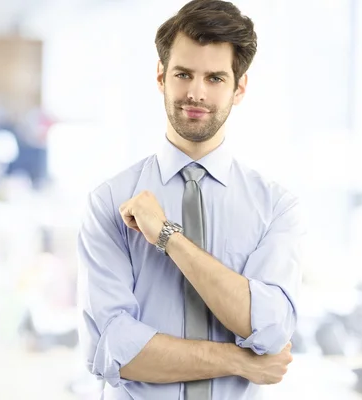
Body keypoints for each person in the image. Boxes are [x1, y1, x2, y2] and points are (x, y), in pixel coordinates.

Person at [77, 1, 304, 399]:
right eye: (183, 74)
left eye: (215, 78)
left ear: (240, 88)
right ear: (161, 77)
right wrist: (238, 360)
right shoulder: (109, 201)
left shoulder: (276, 207)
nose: (196, 93)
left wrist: (168, 236)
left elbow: (269, 331)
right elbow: (114, 350)